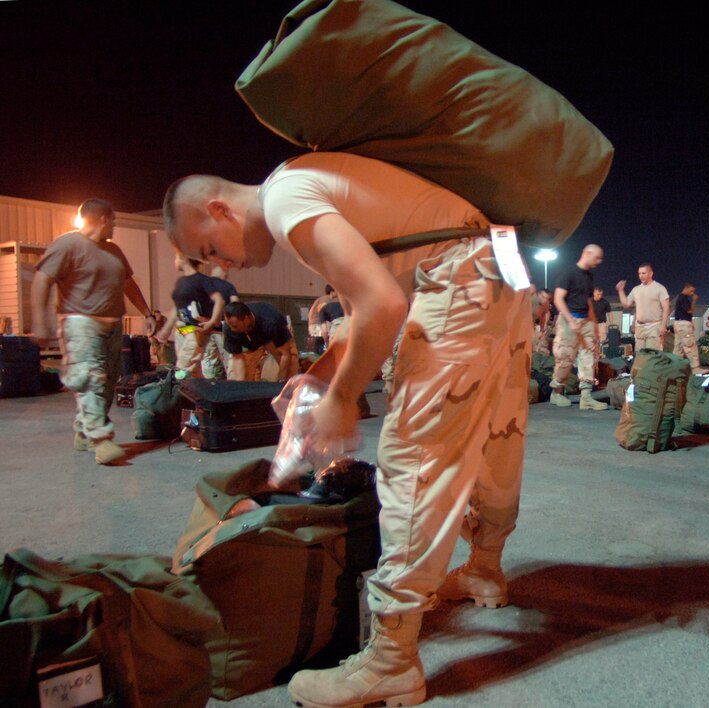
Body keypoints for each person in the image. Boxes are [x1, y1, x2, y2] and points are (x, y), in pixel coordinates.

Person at [163, 150, 534, 708]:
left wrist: (341, 400)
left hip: (460, 280)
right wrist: (321, 376)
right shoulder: (305, 185)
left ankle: (391, 661)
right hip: (498, 270)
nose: (222, 268)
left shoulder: (285, 199)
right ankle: (484, 568)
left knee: (414, 458)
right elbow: (369, 305)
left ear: (219, 210)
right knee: (496, 436)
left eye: (210, 250)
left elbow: (382, 305)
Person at [30, 198, 154, 465]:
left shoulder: (114, 250)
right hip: (80, 323)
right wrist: (40, 321)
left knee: (108, 380)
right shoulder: (67, 245)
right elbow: (42, 280)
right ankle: (101, 439)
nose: (114, 227)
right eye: (114, 221)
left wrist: (147, 313)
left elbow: (128, 284)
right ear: (103, 219)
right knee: (91, 378)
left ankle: (84, 433)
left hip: (112, 323)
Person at [552, 245, 609, 410]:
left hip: (586, 322)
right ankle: (557, 392)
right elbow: (558, 298)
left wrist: (594, 325)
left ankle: (586, 397)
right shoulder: (569, 273)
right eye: (597, 257)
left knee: (588, 358)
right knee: (564, 358)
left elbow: (588, 302)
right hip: (568, 320)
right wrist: (570, 321)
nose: (599, 261)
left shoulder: (589, 276)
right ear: (586, 254)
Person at [155, 252, 215, 377]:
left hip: (195, 330)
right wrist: (166, 329)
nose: (174, 261)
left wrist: (210, 322)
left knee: (182, 368)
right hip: (182, 329)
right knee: (193, 371)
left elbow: (215, 303)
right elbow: (177, 307)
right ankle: (196, 388)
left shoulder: (202, 281)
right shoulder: (181, 282)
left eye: (176, 257)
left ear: (184, 258)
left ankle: (176, 387)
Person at [221, 301, 300, 381]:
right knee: (234, 378)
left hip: (274, 339)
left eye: (235, 326)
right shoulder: (229, 328)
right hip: (250, 344)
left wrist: (282, 380)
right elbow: (237, 358)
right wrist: (239, 385)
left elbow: (285, 354)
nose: (232, 329)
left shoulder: (272, 321)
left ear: (246, 319)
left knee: (289, 375)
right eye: (229, 325)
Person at [616, 263, 669, 352]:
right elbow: (626, 304)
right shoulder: (636, 289)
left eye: (644, 273)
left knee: (652, 355)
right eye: (639, 273)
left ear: (651, 273)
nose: (641, 276)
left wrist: (663, 326)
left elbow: (666, 308)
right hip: (640, 328)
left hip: (654, 327)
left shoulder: (659, 288)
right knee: (640, 355)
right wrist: (620, 290)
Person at [200, 264, 239, 379]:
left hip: (204, 327)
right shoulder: (228, 286)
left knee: (208, 360)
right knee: (229, 359)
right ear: (224, 274)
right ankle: (232, 383)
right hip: (222, 329)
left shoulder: (203, 285)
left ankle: (210, 383)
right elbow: (236, 305)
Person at [672, 282, 707, 374]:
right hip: (683, 325)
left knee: (678, 348)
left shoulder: (681, 298)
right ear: (686, 288)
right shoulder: (683, 298)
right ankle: (695, 368)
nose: (692, 293)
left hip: (679, 324)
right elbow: (690, 311)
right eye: (691, 291)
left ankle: (674, 369)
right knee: (690, 346)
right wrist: (694, 300)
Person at [591, 286, 611, 358]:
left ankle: (601, 356)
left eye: (601, 294)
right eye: (598, 294)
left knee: (602, 341)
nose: (600, 296)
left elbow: (609, 313)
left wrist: (611, 324)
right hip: (592, 325)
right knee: (592, 341)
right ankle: (592, 356)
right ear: (594, 293)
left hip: (602, 324)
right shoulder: (589, 302)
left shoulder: (605, 302)